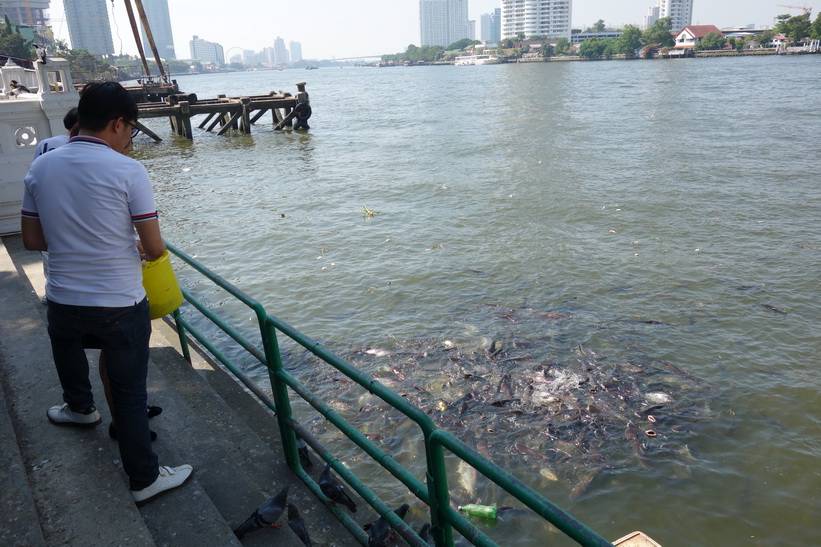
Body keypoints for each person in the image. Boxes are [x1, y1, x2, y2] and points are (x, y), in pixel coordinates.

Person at [21, 81, 192, 504]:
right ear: (118, 123)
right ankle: (145, 478)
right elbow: (153, 248)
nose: (131, 138)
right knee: (130, 393)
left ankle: (80, 410)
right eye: (132, 129)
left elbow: (32, 240)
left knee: (68, 351)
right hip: (119, 303)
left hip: (62, 297)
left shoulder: (41, 167)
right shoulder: (128, 170)